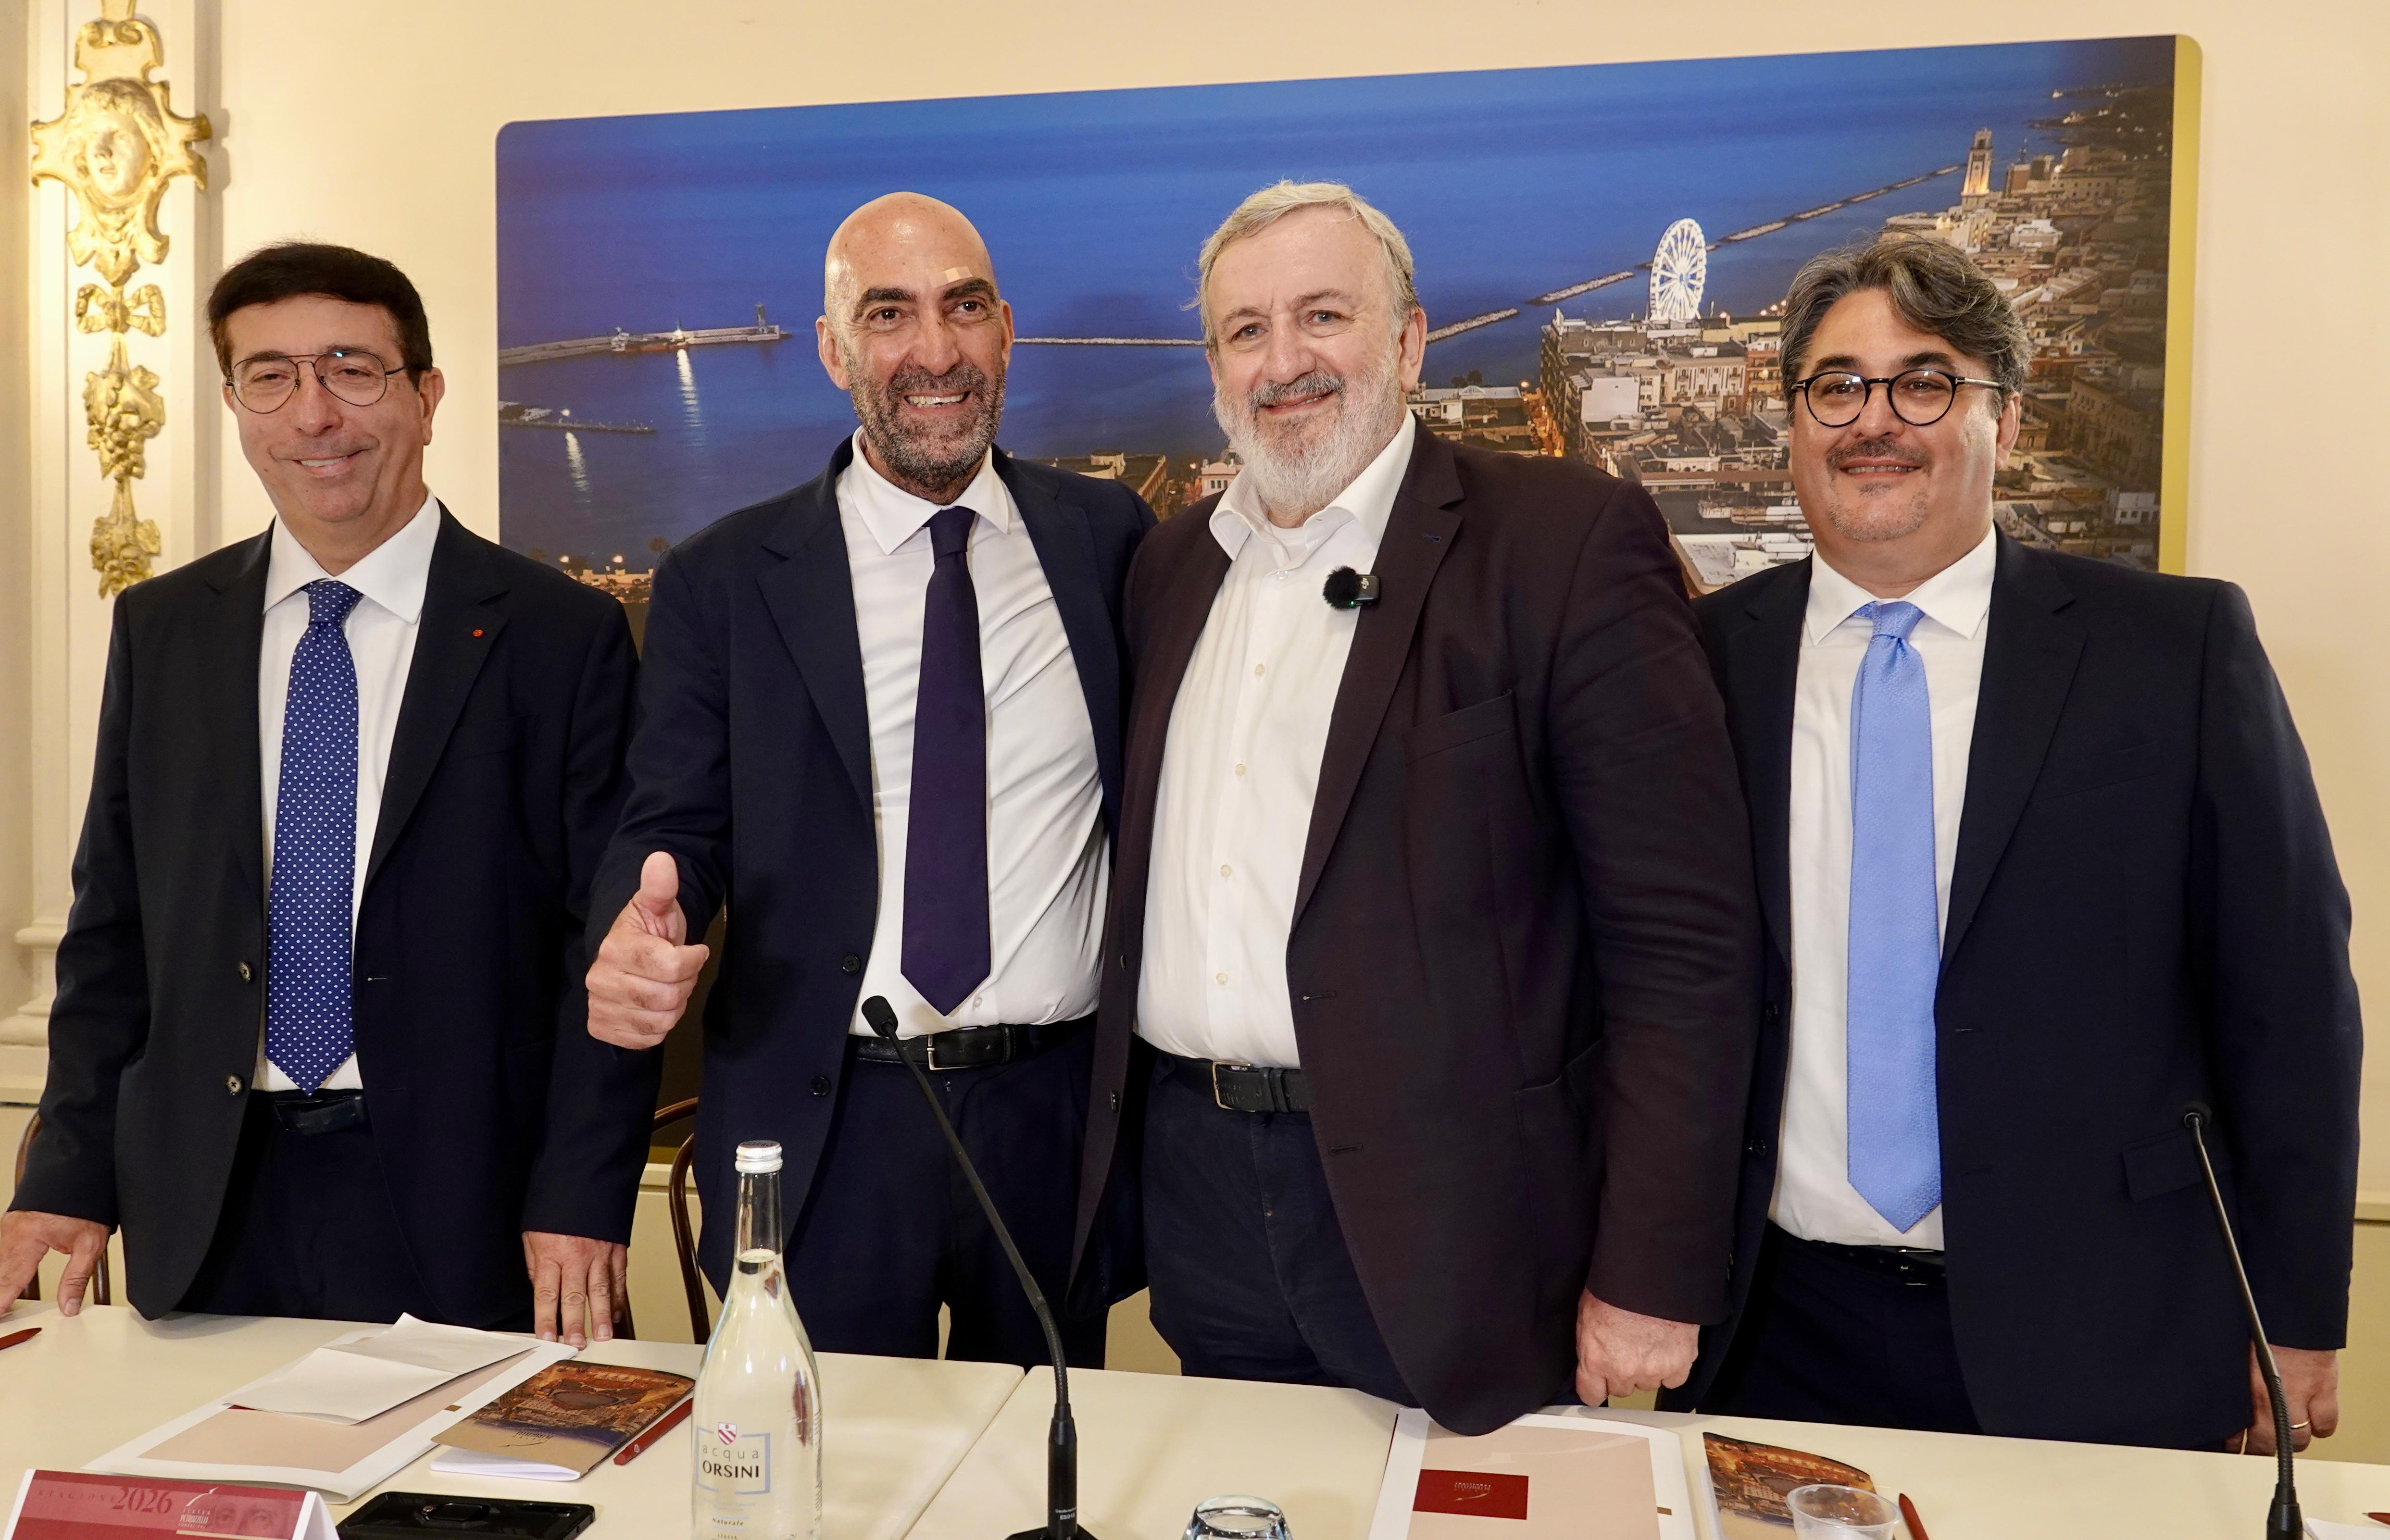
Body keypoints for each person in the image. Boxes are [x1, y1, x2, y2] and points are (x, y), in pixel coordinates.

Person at [1071, 182, 1762, 1435]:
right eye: (1244, 331)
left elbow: (1684, 944)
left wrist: (1649, 1265)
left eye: (1322, 315)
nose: (1283, 360)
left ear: (1407, 341)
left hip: (1470, 1223)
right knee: (1246, 1503)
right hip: (1203, 1202)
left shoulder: (1562, 542)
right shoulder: (1170, 568)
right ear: (1215, 367)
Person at [1671, 236, 2362, 1453]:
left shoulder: (2173, 651)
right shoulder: (1699, 662)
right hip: (1771, 1324)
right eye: (1835, 386)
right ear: (1790, 422)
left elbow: (2289, 1003)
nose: (1872, 420)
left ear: (2007, 416)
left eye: (1923, 383)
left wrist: (2292, 1315)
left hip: (2105, 1324)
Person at [0, 243, 655, 1341]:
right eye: (270, 377)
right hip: (208, 1197)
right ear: (235, 406)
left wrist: (581, 1194)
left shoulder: (561, 634)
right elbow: (116, 926)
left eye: (351, 369)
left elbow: (605, 949)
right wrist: (67, 1171)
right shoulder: (165, 627)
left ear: (426, 396)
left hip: (469, 1203)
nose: (312, 415)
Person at [584, 193, 1151, 1366]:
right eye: (889, 315)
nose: (935, 351)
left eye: (964, 308)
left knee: (1039, 1448)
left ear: (1006, 332)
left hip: (1050, 1118)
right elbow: (672, 827)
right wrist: (639, 932)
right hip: (826, 1124)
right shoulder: (723, 580)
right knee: (826, 1458)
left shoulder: (1110, 540)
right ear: (833, 350)